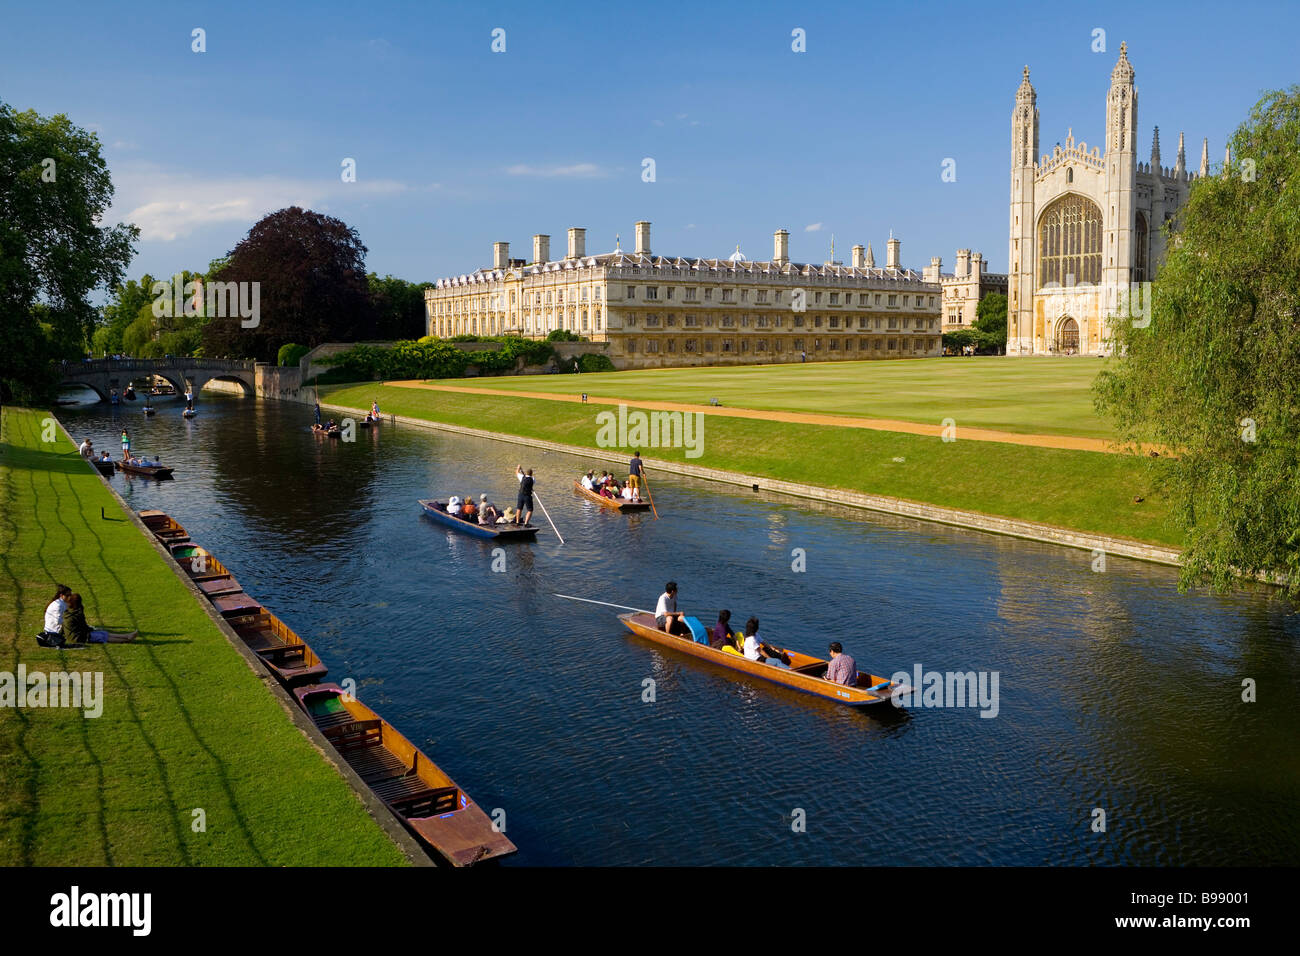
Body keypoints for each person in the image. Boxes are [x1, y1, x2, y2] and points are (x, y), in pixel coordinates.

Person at [63, 593, 137, 644]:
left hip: (74, 636)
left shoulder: (67, 612)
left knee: (103, 633)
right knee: (101, 636)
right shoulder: (77, 614)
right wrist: (91, 629)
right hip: (79, 638)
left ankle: (127, 636)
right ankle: (125, 640)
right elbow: (83, 626)